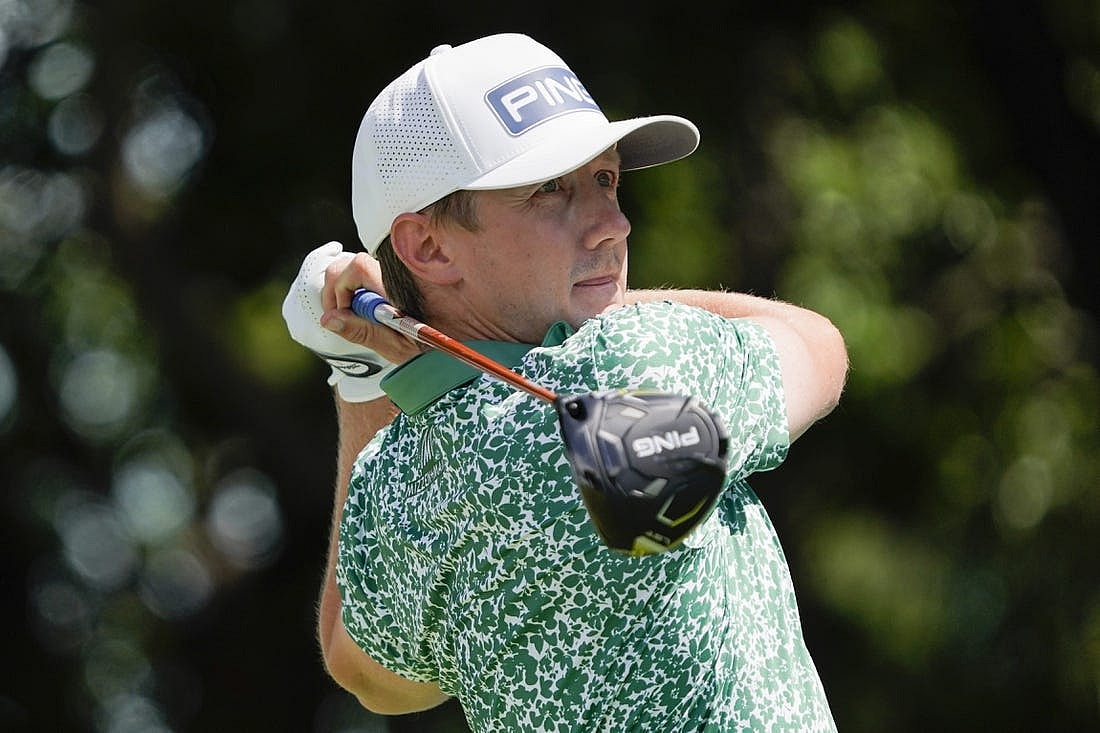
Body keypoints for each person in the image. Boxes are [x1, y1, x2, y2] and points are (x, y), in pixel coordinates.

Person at [283, 33, 848, 731]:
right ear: (427, 246)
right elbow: (816, 343)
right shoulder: (636, 367)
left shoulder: (399, 484)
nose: (615, 223)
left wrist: (360, 368)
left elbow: (359, 667)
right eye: (550, 190)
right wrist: (604, 301)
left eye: (605, 179)